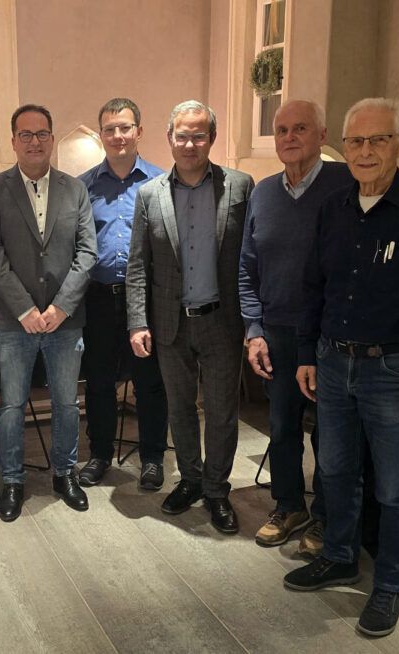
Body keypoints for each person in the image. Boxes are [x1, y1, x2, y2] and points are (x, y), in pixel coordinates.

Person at [284, 98, 399, 638]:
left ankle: (389, 582)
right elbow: (314, 287)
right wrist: (306, 354)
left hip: (394, 369)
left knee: (396, 486)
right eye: (356, 141)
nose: (365, 152)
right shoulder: (333, 208)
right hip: (332, 361)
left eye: (378, 140)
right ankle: (339, 556)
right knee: (335, 471)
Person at [127, 100, 254, 534]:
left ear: (211, 139)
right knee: (179, 409)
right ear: (169, 138)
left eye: (199, 136)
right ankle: (190, 479)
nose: (190, 144)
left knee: (221, 412)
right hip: (170, 323)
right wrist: (137, 322)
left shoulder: (240, 187)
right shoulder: (150, 195)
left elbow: (251, 258)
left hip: (222, 321)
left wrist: (254, 321)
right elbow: (138, 265)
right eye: (182, 135)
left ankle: (217, 490)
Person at [238, 100, 353, 555]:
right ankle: (289, 506)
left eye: (300, 128)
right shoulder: (263, 193)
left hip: (329, 335)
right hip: (277, 332)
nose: (289, 137)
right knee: (282, 426)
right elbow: (247, 267)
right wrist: (254, 329)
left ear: (322, 135)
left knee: (330, 432)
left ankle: (325, 515)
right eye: (282, 130)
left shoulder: (346, 184)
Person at [0, 104, 97, 522]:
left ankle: (65, 473)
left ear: (52, 139)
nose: (34, 141)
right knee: (12, 405)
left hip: (65, 321)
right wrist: (24, 308)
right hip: (13, 322)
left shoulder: (74, 189)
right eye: (25, 134)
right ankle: (12, 480)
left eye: (42, 133)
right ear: (13, 141)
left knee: (67, 403)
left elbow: (87, 252)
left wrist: (62, 306)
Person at [76, 98, 168, 490]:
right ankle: (99, 454)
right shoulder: (82, 187)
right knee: (98, 381)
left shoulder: (161, 183)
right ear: (101, 135)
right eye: (110, 129)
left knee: (149, 381)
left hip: (144, 299)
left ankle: (153, 458)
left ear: (139, 132)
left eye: (125, 127)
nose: (118, 135)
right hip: (97, 297)